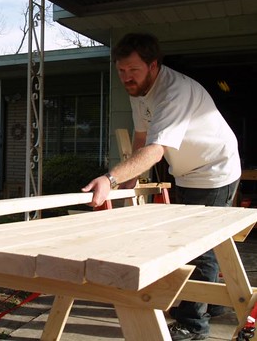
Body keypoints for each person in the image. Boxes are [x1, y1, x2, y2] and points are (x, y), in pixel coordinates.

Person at [82, 32, 241, 340]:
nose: (127, 77)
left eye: (133, 70)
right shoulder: (139, 90)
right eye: (121, 71)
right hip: (187, 171)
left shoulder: (174, 92)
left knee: (198, 248)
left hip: (215, 169)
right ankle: (211, 304)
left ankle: (193, 325)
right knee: (196, 241)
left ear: (153, 66)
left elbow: (156, 149)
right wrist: (130, 180)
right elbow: (141, 136)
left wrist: (110, 177)